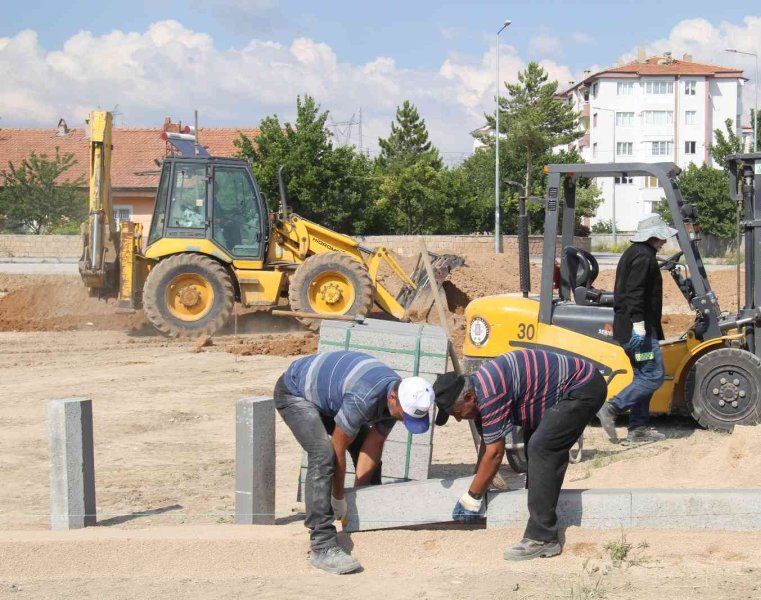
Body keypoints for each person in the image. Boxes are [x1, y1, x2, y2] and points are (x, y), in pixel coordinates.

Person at [432, 349, 607, 561]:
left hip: (582, 387)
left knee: (542, 447)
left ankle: (543, 538)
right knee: (536, 444)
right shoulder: (478, 391)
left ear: (469, 397)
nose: (459, 419)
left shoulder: (489, 393)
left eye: (457, 413)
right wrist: (479, 482)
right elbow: (487, 446)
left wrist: (471, 498)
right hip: (553, 394)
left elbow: (495, 454)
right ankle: (536, 512)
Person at [274, 350, 435, 574]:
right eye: (404, 415)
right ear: (392, 398)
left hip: (331, 397)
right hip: (295, 392)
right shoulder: (365, 396)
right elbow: (338, 448)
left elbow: (373, 444)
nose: (403, 420)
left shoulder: (399, 396)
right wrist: (339, 498)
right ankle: (322, 545)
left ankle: (369, 519)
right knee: (323, 454)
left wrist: (360, 497)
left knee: (360, 444)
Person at [597, 213, 678, 444]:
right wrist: (639, 324)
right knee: (653, 376)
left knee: (643, 375)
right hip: (637, 333)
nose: (665, 241)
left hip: (630, 329)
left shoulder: (635, 253)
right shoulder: (643, 257)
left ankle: (638, 429)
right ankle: (612, 407)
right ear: (654, 235)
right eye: (662, 236)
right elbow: (635, 293)